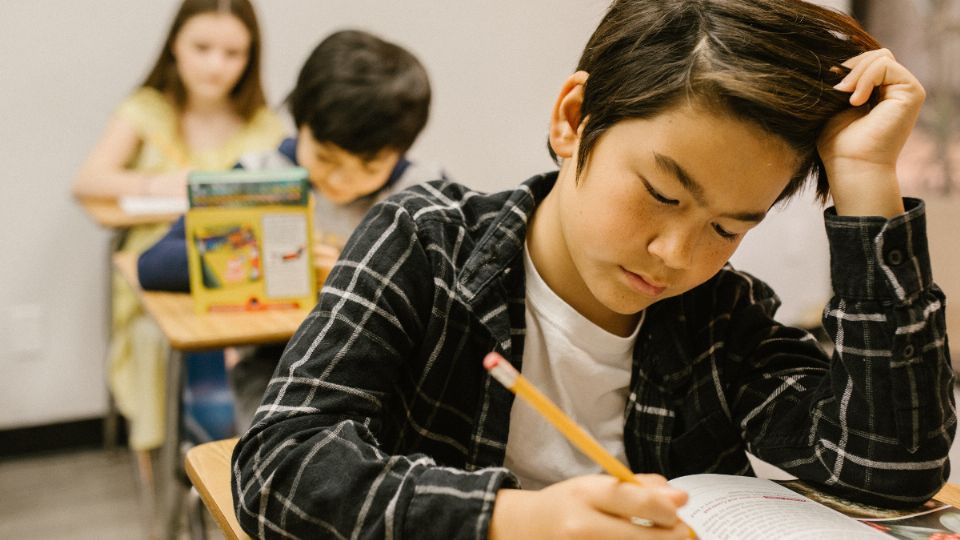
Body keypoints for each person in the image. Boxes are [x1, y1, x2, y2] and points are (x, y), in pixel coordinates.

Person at [232, 1, 955, 539]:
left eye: (729, 227)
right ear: (573, 119)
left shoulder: (719, 315)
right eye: (662, 194)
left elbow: (890, 470)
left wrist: (865, 181)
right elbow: (278, 471)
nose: (677, 254)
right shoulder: (426, 245)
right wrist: (515, 521)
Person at [137, 29, 439, 430]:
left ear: (401, 152)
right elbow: (154, 264)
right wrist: (279, 259)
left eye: (368, 168)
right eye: (326, 157)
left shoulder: (418, 193)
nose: (341, 182)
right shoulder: (260, 179)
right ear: (300, 122)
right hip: (276, 367)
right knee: (289, 454)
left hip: (389, 370)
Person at [71, 0, 284, 452]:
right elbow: (88, 181)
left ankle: (238, 467)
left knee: (258, 350)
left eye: (233, 54)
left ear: (251, 58)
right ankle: (164, 473)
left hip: (242, 278)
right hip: (159, 271)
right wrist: (166, 184)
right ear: (175, 46)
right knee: (155, 341)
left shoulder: (263, 125)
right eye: (202, 47)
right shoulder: (147, 111)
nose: (216, 65)